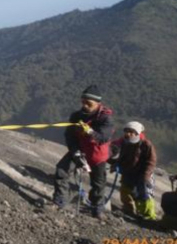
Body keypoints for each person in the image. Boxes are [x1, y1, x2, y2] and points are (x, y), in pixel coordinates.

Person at [52, 85, 115, 219]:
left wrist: (90, 132)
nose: (85, 106)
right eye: (83, 102)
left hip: (97, 153)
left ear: (98, 104)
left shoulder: (105, 119)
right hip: (80, 149)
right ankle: (60, 201)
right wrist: (75, 152)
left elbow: (104, 137)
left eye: (89, 104)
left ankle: (97, 209)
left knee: (98, 183)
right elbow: (69, 135)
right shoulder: (76, 116)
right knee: (61, 170)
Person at [109, 121, 157, 220]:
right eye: (126, 131)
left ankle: (147, 215)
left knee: (143, 194)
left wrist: (146, 175)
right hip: (128, 172)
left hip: (142, 174)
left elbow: (151, 161)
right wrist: (115, 164)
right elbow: (121, 157)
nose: (128, 134)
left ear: (137, 133)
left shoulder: (145, 144)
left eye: (131, 132)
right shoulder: (123, 142)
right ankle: (129, 210)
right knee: (125, 191)